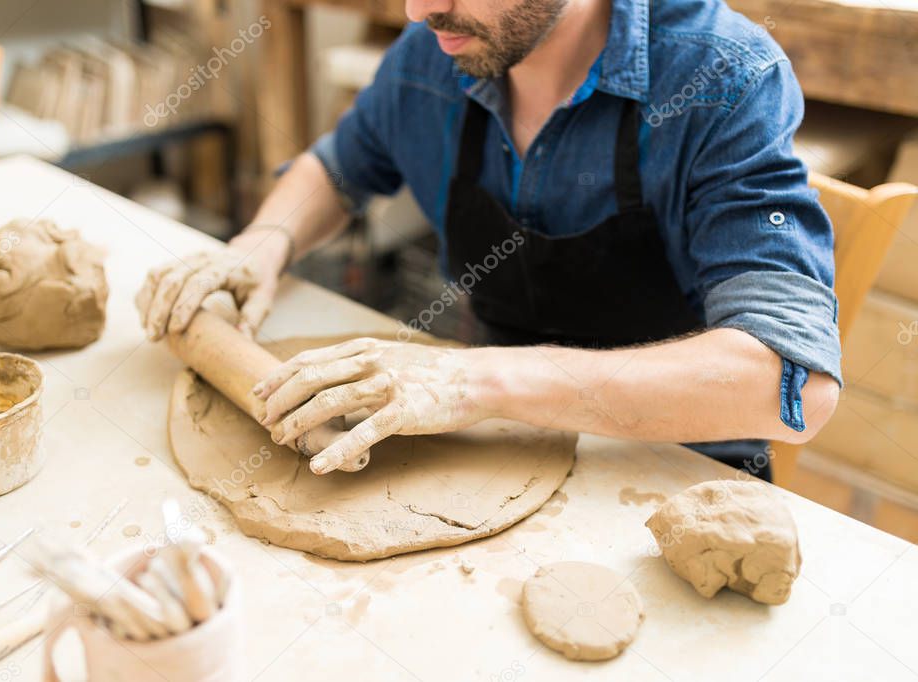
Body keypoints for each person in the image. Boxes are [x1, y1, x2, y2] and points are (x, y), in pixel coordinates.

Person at [136, 0, 842, 481]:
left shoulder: (722, 76)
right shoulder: (432, 52)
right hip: (489, 442)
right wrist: (262, 244)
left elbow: (792, 383)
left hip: (665, 467)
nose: (417, 10)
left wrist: (473, 379)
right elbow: (341, 165)